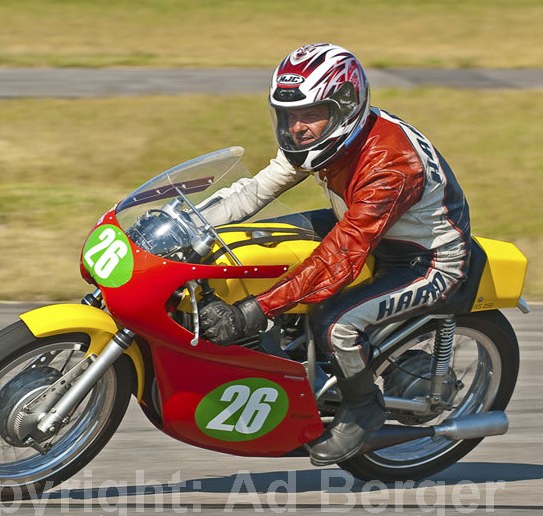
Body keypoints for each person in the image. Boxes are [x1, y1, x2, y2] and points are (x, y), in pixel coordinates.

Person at [198, 43, 471, 465]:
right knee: (251, 240)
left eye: (310, 115)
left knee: (335, 323)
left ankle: (366, 411)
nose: (297, 128)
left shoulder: (390, 164)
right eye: (290, 116)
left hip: (426, 259)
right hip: (363, 222)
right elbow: (255, 189)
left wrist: (257, 309)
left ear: (344, 108)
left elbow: (341, 258)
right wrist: (188, 222)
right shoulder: (322, 140)